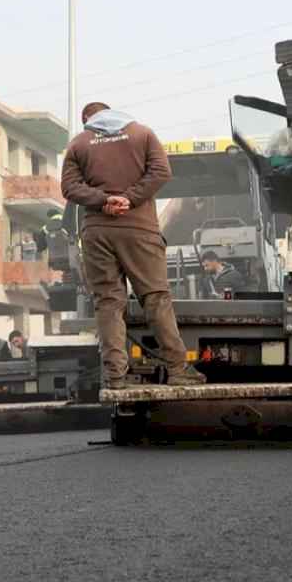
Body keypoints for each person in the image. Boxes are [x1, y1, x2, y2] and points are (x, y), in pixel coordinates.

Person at [61, 101, 205, 390]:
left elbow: (69, 188)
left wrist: (104, 200)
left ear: (87, 118)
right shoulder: (142, 134)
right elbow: (161, 171)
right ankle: (178, 370)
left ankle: (115, 376)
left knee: (109, 302)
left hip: (97, 231)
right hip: (139, 228)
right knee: (155, 298)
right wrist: (131, 197)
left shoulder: (80, 143)